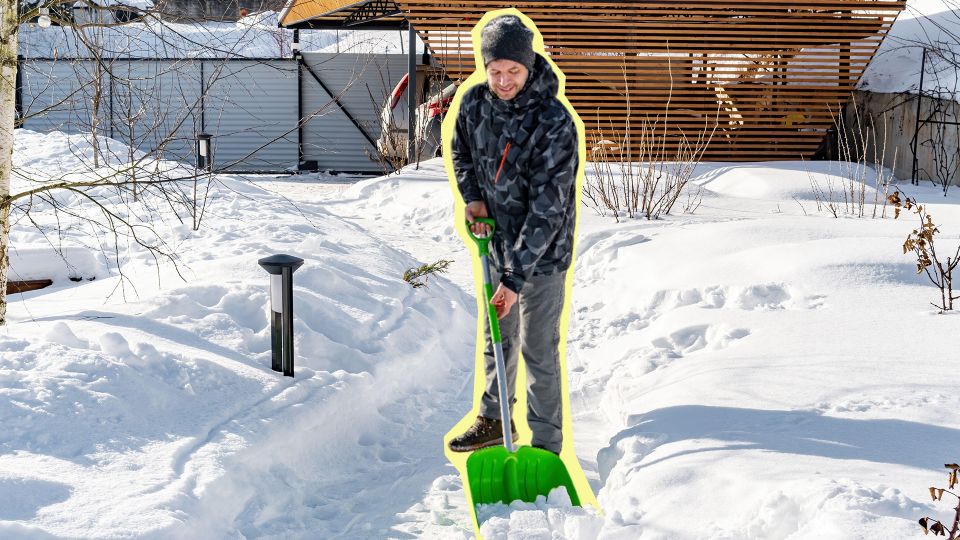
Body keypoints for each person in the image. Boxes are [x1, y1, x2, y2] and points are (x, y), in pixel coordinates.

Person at [447, 14, 578, 456]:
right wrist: (473, 198)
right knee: (497, 338)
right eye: (495, 70)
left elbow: (548, 208)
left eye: (513, 71)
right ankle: (493, 420)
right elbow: (461, 151)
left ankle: (546, 444)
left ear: (529, 64)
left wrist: (513, 279)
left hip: (542, 255)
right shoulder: (473, 103)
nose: (504, 81)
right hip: (496, 244)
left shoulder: (553, 121)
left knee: (538, 348)